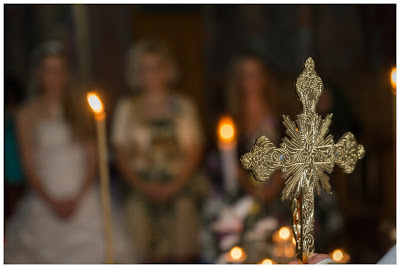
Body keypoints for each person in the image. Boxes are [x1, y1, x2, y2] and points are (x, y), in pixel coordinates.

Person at [4, 41, 131, 263]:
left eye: (59, 70)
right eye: (48, 70)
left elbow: (93, 159)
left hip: (81, 195)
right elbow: (28, 163)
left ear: (66, 74)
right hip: (45, 197)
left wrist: (78, 197)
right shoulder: (26, 114)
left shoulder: (80, 110)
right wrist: (52, 201)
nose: (54, 77)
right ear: (39, 74)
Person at [111, 39, 208, 263]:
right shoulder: (127, 108)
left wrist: (173, 186)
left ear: (167, 69)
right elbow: (121, 153)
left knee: (183, 222)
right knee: (138, 230)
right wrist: (144, 186)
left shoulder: (184, 106)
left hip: (179, 184)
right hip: (139, 186)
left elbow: (194, 150)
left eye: (156, 67)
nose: (151, 74)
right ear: (136, 72)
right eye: (144, 68)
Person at [228, 53, 284, 207]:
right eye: (245, 75)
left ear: (264, 78)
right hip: (244, 190)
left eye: (254, 74)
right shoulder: (231, 119)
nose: (250, 80)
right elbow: (230, 159)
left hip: (279, 187)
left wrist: (272, 189)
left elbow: (288, 152)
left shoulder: (280, 115)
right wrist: (251, 189)